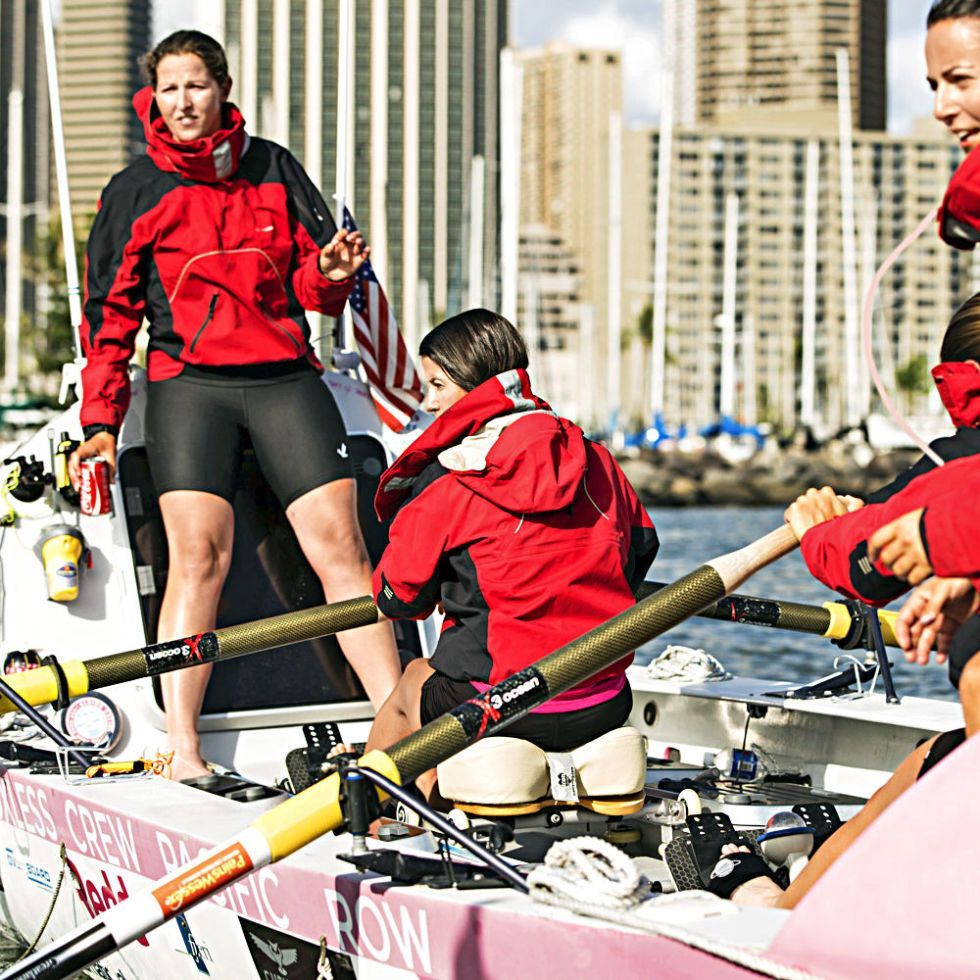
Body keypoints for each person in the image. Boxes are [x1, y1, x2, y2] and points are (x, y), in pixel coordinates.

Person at [67, 31, 401, 780]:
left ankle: (394, 727)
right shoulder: (135, 190)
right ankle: (182, 747)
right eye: (169, 89)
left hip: (284, 378)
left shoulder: (274, 167)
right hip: (190, 387)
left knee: (342, 552)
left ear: (222, 89)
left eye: (196, 86)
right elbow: (108, 320)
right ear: (154, 97)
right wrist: (99, 423)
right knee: (198, 560)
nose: (182, 102)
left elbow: (316, 289)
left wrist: (334, 274)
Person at [363, 310, 659, 798]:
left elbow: (397, 597)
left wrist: (451, 587)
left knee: (413, 682)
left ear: (475, 386)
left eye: (438, 386)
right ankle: (453, 798)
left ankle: (373, 822)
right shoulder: (599, 460)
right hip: (603, 699)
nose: (429, 403)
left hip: (499, 706)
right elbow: (639, 555)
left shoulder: (449, 478)